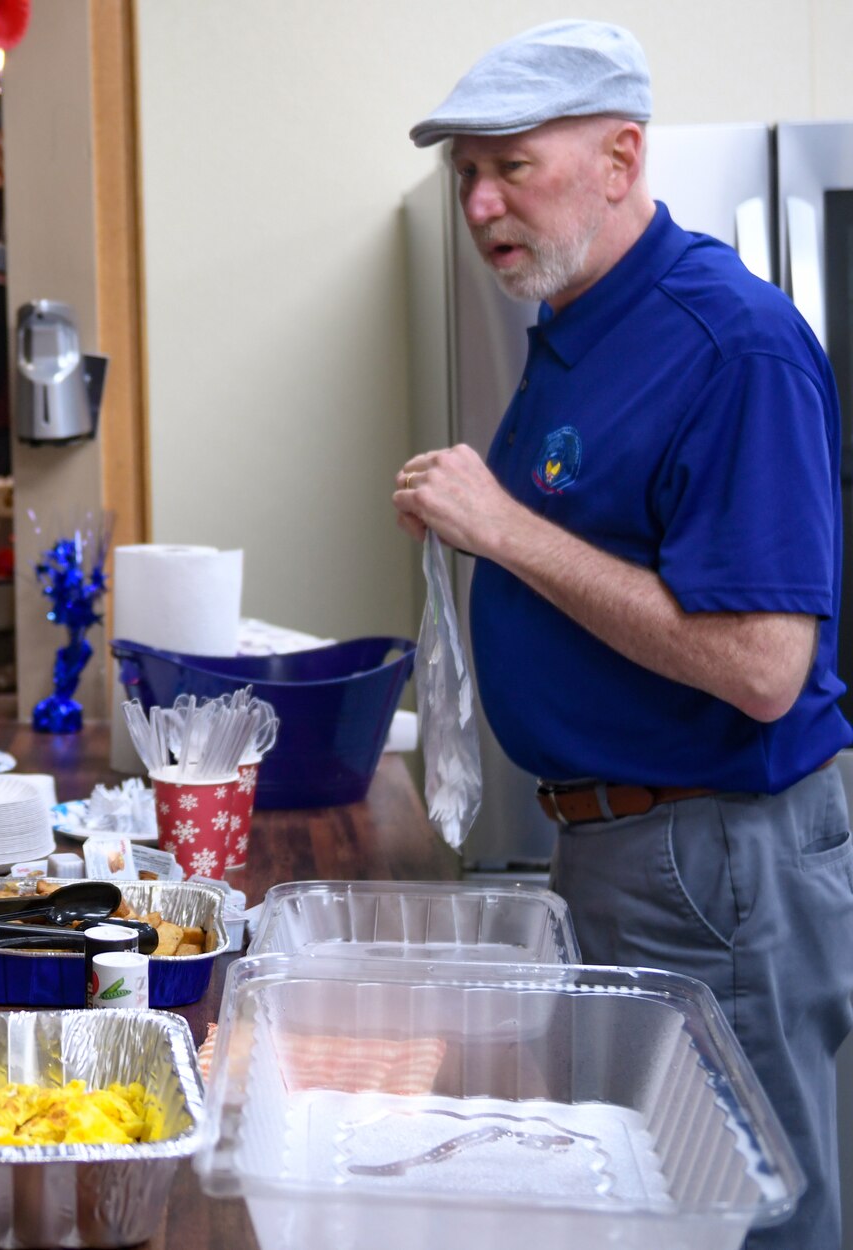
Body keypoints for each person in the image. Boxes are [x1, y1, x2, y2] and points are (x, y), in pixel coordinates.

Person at [394, 20, 853, 1249]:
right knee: (648, 1204)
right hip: (613, 842)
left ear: (619, 156)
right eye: (463, 179)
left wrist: (500, 528)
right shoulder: (575, 324)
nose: (481, 203)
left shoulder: (731, 344)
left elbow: (764, 669)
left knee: (757, 1213)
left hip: (715, 859)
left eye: (510, 167)